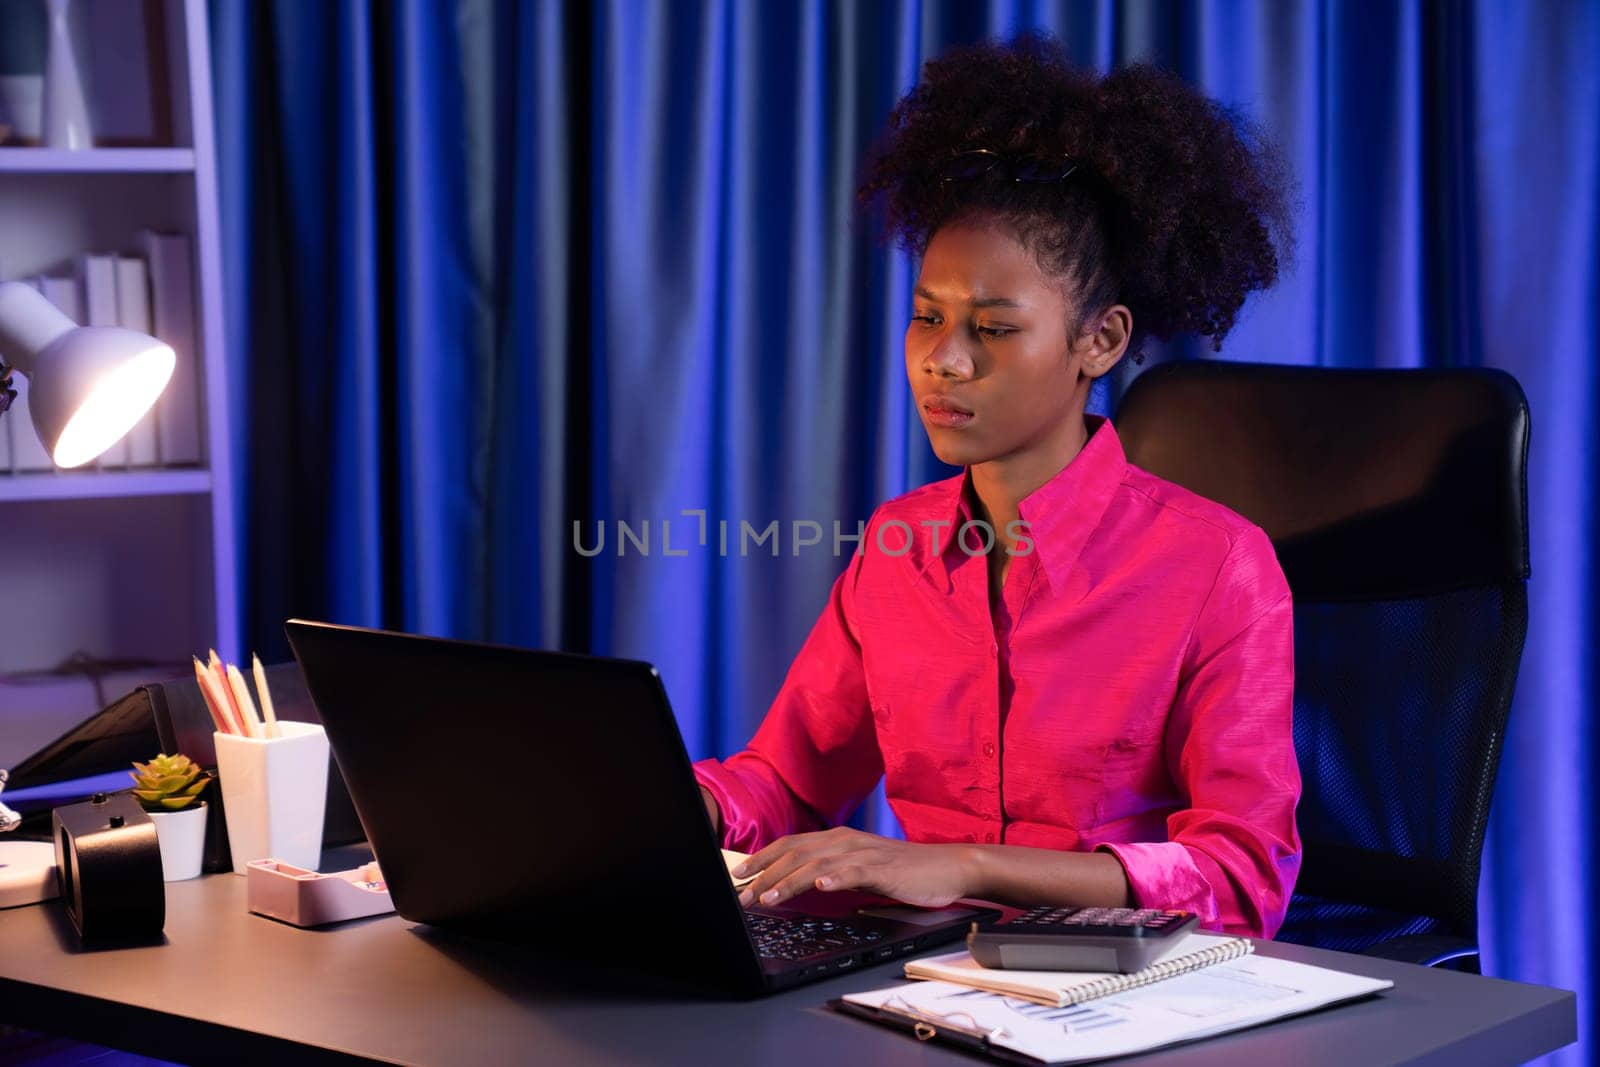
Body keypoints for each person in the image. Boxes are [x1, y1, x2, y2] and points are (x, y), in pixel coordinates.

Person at [695, 34, 1300, 939]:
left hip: (1128, 994)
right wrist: (643, 810)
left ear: (1098, 341)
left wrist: (965, 863)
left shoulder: (1220, 568)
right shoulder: (895, 551)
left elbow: (1241, 873)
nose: (944, 358)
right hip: (925, 978)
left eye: (993, 328)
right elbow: (782, 779)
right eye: (928, 317)